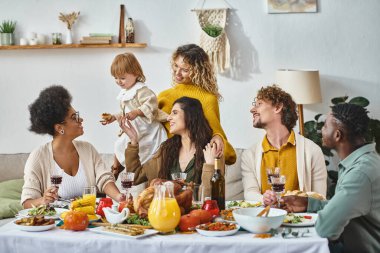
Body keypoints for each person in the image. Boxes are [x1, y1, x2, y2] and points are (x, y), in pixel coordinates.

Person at [283, 103, 380, 253]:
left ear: (337, 135)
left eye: (325, 126)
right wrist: (309, 204)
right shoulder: (363, 161)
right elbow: (350, 207)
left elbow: (325, 229)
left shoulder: (360, 174)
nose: (321, 129)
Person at [21, 85, 125, 208]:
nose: (80, 119)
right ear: (60, 128)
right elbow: (27, 202)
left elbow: (104, 179)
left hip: (89, 220)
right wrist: (43, 200)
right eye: (74, 117)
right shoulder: (38, 156)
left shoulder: (88, 149)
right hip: (57, 224)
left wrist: (119, 197)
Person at [241, 85, 327, 204]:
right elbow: (249, 192)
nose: (252, 109)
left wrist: (297, 200)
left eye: (259, 104)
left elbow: (320, 198)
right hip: (265, 219)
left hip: (300, 220)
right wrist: (263, 199)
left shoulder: (312, 151)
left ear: (277, 107)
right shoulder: (249, 154)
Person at [119, 96, 219, 194]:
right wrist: (133, 140)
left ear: (190, 116)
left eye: (175, 113)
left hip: (198, 210)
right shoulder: (166, 150)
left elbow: (211, 197)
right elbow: (135, 176)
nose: (169, 117)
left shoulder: (211, 149)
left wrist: (209, 166)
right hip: (168, 209)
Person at [157, 44, 236, 165]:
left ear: (198, 71)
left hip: (194, 163)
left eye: (185, 70)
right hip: (165, 160)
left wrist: (218, 136)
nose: (177, 73)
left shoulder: (208, 99)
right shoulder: (164, 96)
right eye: (176, 66)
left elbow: (215, 133)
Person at [101, 52, 167, 179]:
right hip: (135, 126)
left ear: (136, 73)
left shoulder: (142, 90)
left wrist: (137, 112)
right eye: (115, 78)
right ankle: (116, 168)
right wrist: (113, 117)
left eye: (122, 78)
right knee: (119, 144)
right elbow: (125, 111)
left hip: (146, 127)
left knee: (128, 144)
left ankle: (119, 168)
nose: (118, 81)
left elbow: (151, 105)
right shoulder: (125, 93)